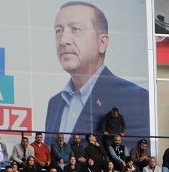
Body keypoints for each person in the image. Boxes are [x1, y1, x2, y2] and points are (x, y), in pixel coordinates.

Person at [44, 1, 149, 138]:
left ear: (102, 43)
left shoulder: (135, 98)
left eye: (75, 29)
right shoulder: (55, 103)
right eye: (59, 31)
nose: (63, 40)